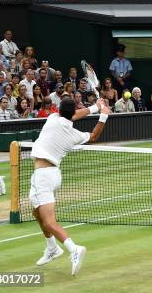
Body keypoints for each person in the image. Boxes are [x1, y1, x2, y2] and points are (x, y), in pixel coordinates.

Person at [28, 98, 110, 275]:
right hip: (53, 176)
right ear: (72, 112)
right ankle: (52, 248)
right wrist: (101, 113)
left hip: (43, 177)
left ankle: (74, 249)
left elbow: (72, 115)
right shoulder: (75, 136)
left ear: (58, 109)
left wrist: (95, 107)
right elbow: (94, 136)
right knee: (36, 212)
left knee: (49, 221)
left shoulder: (52, 119)